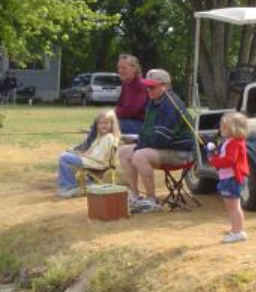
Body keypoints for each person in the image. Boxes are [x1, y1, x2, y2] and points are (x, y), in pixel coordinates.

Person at [117, 69, 194, 213]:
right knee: (123, 152)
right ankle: (135, 196)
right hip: (165, 148)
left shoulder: (169, 105)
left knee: (140, 155)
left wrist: (140, 146)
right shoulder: (154, 101)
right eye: (146, 86)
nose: (148, 90)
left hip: (181, 153)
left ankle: (152, 201)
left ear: (165, 86)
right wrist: (138, 142)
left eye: (152, 87)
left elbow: (160, 139)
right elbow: (146, 131)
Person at [73, 53, 147, 150]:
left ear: (134, 68)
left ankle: (88, 147)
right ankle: (90, 147)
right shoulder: (126, 84)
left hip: (140, 125)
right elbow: (120, 104)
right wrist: (112, 114)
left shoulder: (139, 84)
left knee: (105, 122)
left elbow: (130, 110)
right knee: (101, 120)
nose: (120, 71)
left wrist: (112, 115)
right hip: (128, 121)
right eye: (119, 68)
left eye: (124, 68)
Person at [207, 112, 251, 244]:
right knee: (231, 207)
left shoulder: (235, 143)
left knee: (234, 207)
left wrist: (213, 160)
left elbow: (229, 160)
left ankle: (238, 232)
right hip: (227, 177)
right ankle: (236, 230)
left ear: (234, 129)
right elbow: (224, 156)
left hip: (232, 178)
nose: (221, 129)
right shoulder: (230, 142)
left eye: (225, 127)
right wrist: (215, 152)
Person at [56, 110, 121, 198]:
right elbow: (90, 152)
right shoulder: (102, 137)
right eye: (100, 123)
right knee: (66, 154)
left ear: (112, 124)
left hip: (97, 164)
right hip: (92, 161)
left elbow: (99, 158)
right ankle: (72, 184)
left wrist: (81, 156)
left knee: (64, 158)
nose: (103, 125)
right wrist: (77, 152)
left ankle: (70, 187)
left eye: (106, 123)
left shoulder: (108, 137)